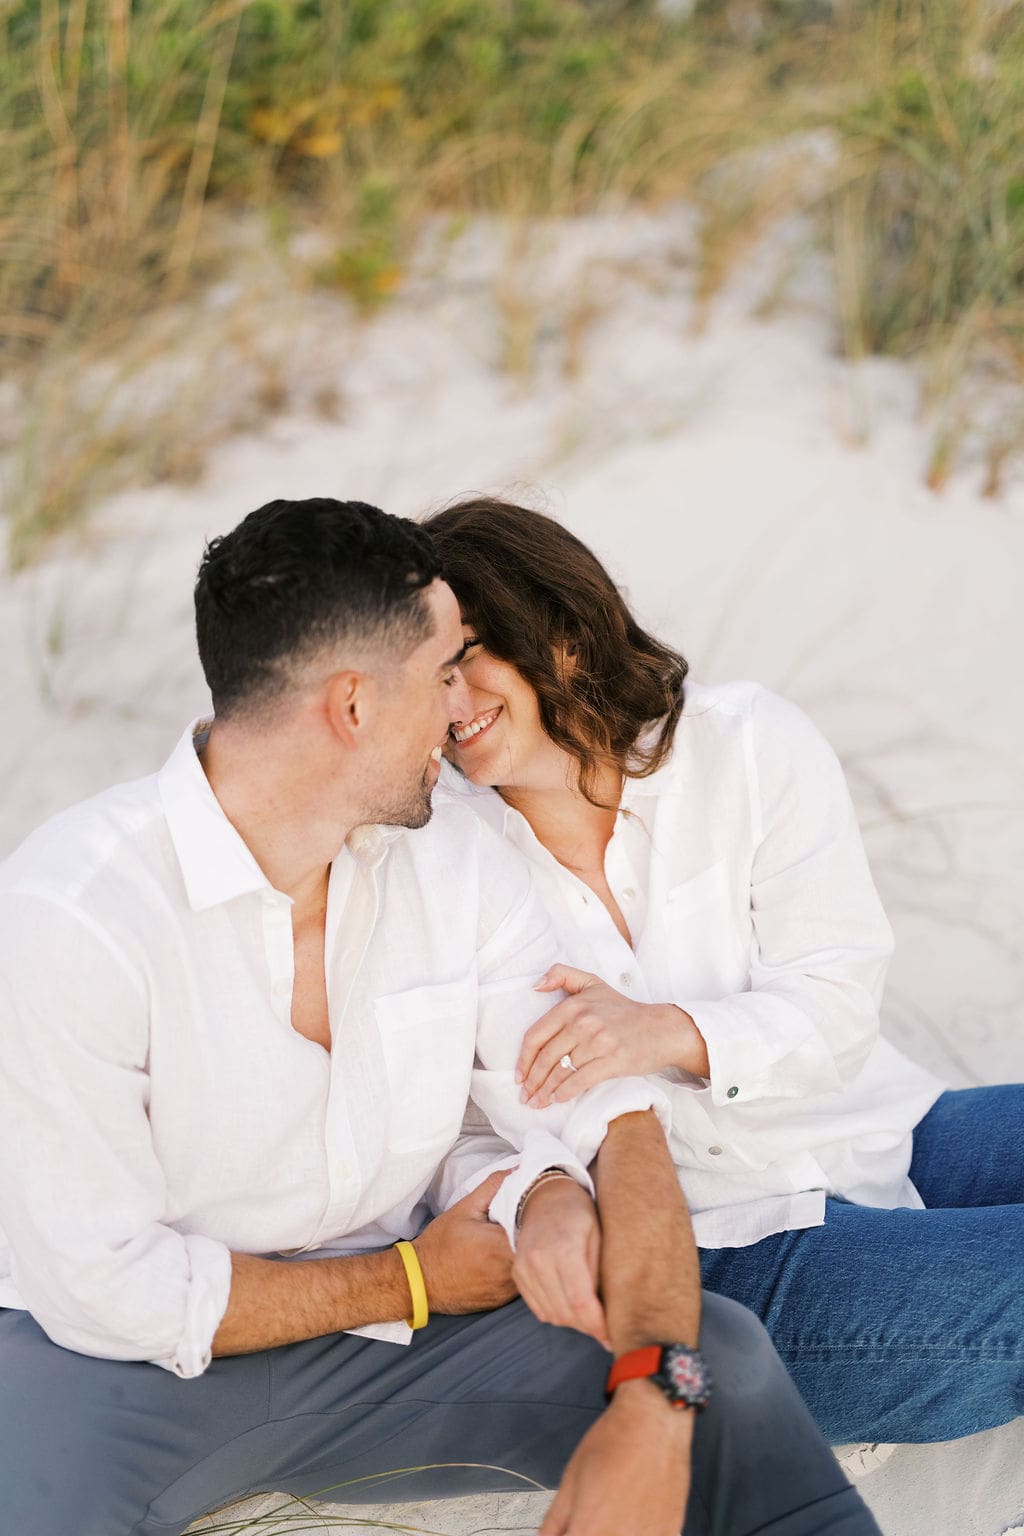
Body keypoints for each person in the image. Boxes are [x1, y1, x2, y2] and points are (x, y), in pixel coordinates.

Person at [0, 497, 881, 1536]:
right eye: (443, 670)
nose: (457, 706)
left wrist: (650, 1389)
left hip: (395, 1362)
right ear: (354, 707)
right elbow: (106, 1288)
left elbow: (616, 1117)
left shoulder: (451, 864)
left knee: (720, 1364)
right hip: (115, 1375)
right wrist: (409, 1278)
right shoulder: (72, 915)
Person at [425, 494, 1024, 1449]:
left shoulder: (745, 746)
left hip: (882, 1129)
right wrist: (540, 1196)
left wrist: (666, 1029)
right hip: (725, 1245)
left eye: (471, 657)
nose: (450, 705)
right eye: (429, 674)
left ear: (565, 638)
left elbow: (837, 997)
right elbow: (454, 1126)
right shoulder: (437, 857)